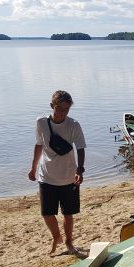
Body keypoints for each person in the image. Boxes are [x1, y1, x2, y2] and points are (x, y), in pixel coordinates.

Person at [28, 90, 86, 255]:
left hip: (69, 178)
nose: (63, 112)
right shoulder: (41, 122)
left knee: (68, 214)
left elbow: (80, 147)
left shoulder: (73, 125)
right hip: (46, 176)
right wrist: (33, 168)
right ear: (52, 106)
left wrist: (80, 170)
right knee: (47, 213)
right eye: (59, 108)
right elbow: (39, 144)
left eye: (66, 109)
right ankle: (57, 237)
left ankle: (69, 242)